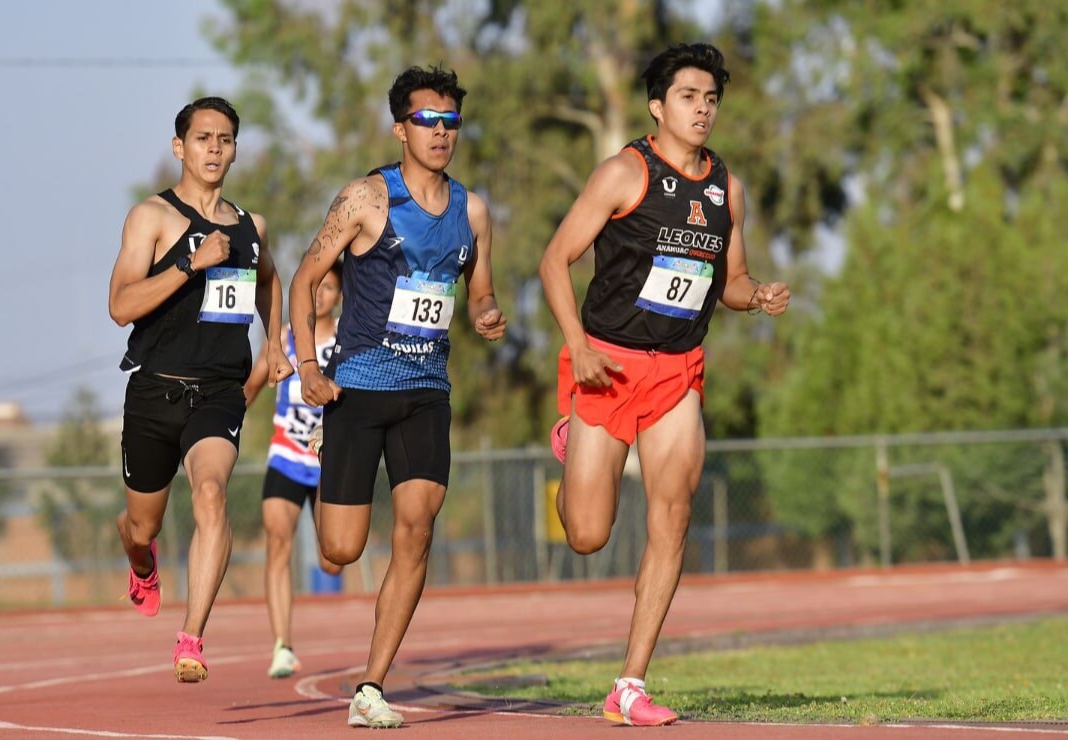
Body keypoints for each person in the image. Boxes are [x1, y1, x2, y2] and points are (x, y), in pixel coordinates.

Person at [538, 43, 790, 726]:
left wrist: (755, 293)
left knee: (672, 515)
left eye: (711, 99)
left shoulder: (726, 188)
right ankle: (574, 434)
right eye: (688, 97)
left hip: (678, 369)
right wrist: (577, 348)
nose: (703, 109)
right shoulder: (625, 172)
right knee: (588, 533)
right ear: (658, 106)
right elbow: (555, 260)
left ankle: (629, 684)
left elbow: (730, 280)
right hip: (607, 364)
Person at [289, 65, 506, 729]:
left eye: (450, 123)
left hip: (426, 392)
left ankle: (371, 685)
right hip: (358, 387)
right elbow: (303, 280)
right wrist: (307, 366)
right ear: (400, 128)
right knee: (340, 550)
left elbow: (479, 294)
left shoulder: (472, 211)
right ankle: (334, 478)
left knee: (416, 532)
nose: (441, 134)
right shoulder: (365, 200)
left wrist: (489, 314)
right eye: (427, 121)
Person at [107, 96, 293, 683]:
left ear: (235, 149)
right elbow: (120, 306)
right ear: (179, 147)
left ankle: (191, 638)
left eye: (226, 139)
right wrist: (190, 264)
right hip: (155, 392)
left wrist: (275, 343)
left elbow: (269, 280)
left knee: (211, 493)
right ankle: (140, 560)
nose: (215, 148)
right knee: (144, 527)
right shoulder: (151, 218)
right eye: (204, 138)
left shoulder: (251, 227)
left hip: (218, 390)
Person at [244, 262, 344, 680]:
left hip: (329, 458)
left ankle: (335, 545)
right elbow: (250, 388)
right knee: (278, 543)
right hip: (286, 455)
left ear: (340, 296)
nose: (320, 292)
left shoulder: (347, 341)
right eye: (315, 284)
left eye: (329, 287)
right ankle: (282, 645)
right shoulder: (283, 339)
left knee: (332, 561)